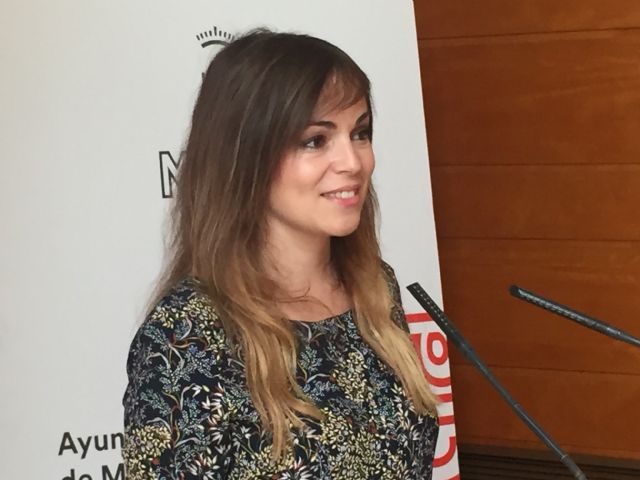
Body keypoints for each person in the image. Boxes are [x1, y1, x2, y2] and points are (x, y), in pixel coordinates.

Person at [122, 29, 439, 479]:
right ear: (246, 156)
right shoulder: (185, 335)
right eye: (315, 140)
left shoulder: (374, 285)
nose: (353, 162)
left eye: (360, 133)